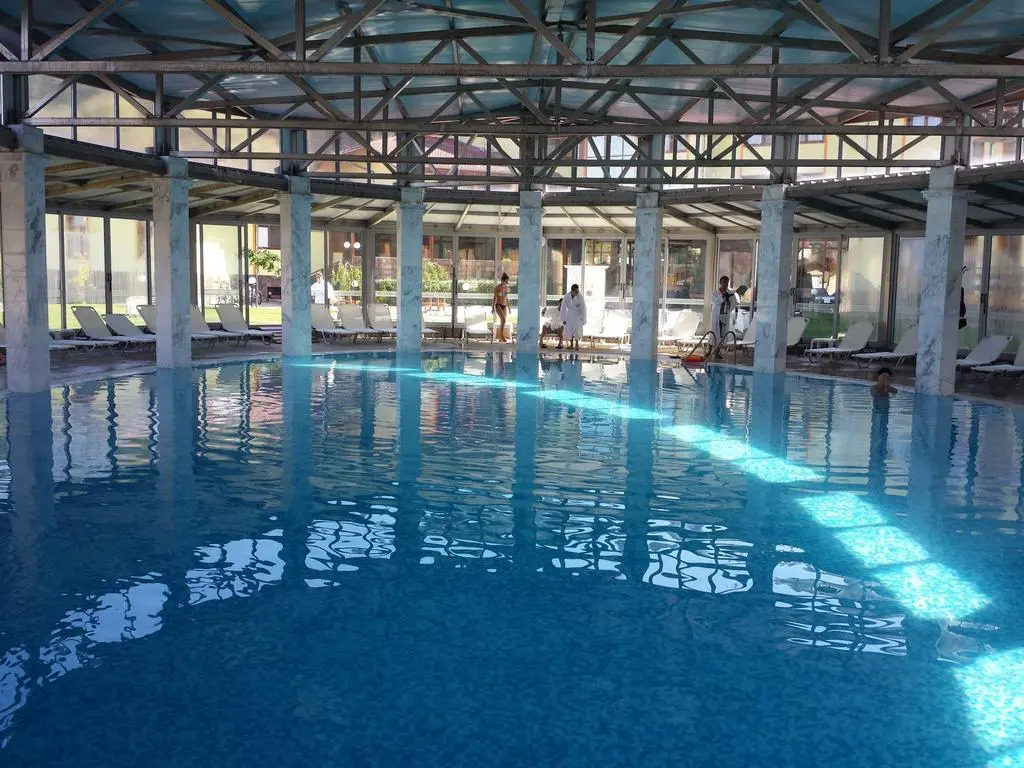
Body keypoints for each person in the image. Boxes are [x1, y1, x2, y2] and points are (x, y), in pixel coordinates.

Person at [710, 275, 738, 359]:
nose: (725, 284)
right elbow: (714, 302)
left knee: (722, 334)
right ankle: (709, 351)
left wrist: (728, 302)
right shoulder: (715, 292)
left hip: (725, 316)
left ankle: (717, 353)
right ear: (720, 283)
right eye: (723, 282)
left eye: (726, 282)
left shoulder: (731, 293)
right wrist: (723, 296)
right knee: (713, 333)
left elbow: (734, 303)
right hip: (716, 316)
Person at [559, 283, 587, 351]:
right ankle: (571, 344)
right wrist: (563, 319)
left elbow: (583, 308)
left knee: (577, 329)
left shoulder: (580, 297)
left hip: (578, 315)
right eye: (576, 291)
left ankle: (577, 344)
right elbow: (563, 308)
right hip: (570, 315)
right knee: (569, 329)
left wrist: (583, 318)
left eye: (578, 291)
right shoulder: (566, 297)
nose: (577, 293)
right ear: (572, 291)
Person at [492, 272, 512, 343]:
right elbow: (494, 298)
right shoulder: (497, 287)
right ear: (502, 280)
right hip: (498, 305)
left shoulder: (506, 287)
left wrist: (509, 308)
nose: (506, 282)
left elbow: (506, 298)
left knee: (502, 321)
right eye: (506, 281)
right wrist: (492, 307)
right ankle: (502, 336)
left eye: (507, 281)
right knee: (503, 320)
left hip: (504, 305)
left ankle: (500, 338)